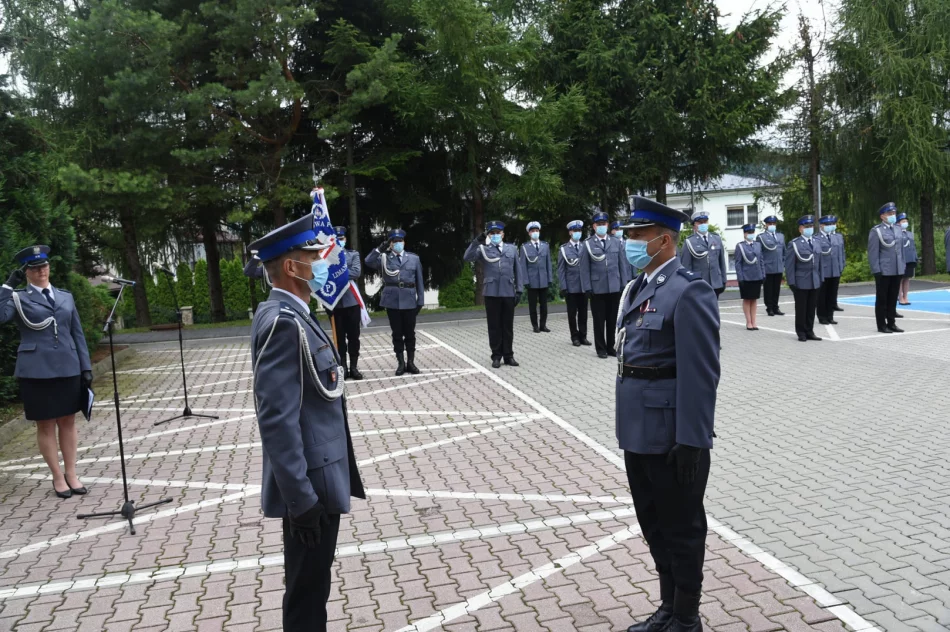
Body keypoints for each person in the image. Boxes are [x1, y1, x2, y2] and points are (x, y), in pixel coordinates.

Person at [248, 215, 365, 632]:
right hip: (311, 486)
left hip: (318, 477)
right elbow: (277, 421)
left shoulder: (292, 313)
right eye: (313, 257)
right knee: (306, 596)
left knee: (313, 588)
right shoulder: (283, 322)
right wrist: (301, 502)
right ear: (291, 267)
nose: (322, 263)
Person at [616, 196, 720, 632]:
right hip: (637, 430)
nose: (630, 243)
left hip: (671, 435)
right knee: (654, 525)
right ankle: (667, 609)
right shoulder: (637, 288)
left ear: (663, 240)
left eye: (638, 236)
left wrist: (693, 438)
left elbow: (702, 372)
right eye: (629, 235)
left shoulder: (688, 290)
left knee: (682, 528)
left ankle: (687, 617)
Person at [1, 245, 92, 499]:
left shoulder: (65, 296)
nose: (41, 271)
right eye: (34, 268)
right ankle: (57, 476)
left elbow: (77, 333)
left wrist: (85, 366)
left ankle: (71, 473)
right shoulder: (18, 297)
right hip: (36, 371)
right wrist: (7, 287)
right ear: (26, 272)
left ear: (49, 267)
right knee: (46, 424)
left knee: (68, 421)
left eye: (44, 266)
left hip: (68, 367)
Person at [464, 221, 525, 368]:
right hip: (491, 292)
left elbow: (518, 270)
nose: (496, 235)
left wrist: (519, 290)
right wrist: (477, 241)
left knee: (507, 326)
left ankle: (509, 355)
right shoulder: (483, 249)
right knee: (494, 326)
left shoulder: (511, 249)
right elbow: (467, 257)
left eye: (498, 233)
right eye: (492, 233)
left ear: (503, 234)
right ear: (489, 235)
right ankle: (496, 356)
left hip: (508, 291)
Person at [365, 229, 425, 374]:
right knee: (397, 333)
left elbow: (419, 281)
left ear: (404, 242)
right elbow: (368, 261)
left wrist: (420, 301)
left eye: (400, 241)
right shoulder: (384, 258)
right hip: (392, 301)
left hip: (409, 300)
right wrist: (380, 248)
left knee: (410, 333)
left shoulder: (413, 259)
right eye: (395, 241)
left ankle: (411, 362)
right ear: (390, 244)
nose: (398, 243)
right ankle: (401, 363)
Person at [581, 211, 630, 359]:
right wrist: (587, 287)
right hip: (597, 288)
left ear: (607, 225)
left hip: (614, 287)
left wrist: (623, 284)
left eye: (604, 224)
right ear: (594, 226)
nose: (602, 226)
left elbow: (622, 265)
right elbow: (584, 268)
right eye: (599, 224)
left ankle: (611, 347)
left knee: (612, 320)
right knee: (599, 320)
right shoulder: (588, 244)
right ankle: (601, 349)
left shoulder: (615, 242)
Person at [326, 226, 364, 380]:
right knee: (339, 338)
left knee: (354, 336)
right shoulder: (326, 257)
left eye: (341, 239)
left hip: (351, 302)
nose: (339, 241)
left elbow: (356, 272)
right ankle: (343, 367)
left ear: (345, 239)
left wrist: (336, 273)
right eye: (336, 239)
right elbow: (323, 275)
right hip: (335, 302)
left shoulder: (353, 254)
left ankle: (354, 367)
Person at [868, 202, 906, 334]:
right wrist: (876, 270)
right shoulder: (876, 231)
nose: (893, 215)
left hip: (897, 268)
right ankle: (881, 325)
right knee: (882, 299)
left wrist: (902, 265)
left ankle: (891, 323)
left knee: (893, 297)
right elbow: (873, 253)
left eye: (894, 213)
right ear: (882, 216)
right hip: (884, 270)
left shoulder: (898, 229)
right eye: (890, 213)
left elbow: (901, 250)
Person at [785, 215, 824, 342]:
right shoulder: (794, 244)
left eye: (811, 226)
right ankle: (801, 332)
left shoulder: (817, 242)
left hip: (815, 280)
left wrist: (821, 278)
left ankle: (810, 331)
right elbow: (789, 265)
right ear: (800, 229)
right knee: (801, 308)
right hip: (801, 281)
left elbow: (820, 262)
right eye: (806, 226)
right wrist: (791, 282)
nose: (809, 228)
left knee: (811, 308)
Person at [558, 220, 591, 347]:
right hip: (571, 287)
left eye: (579, 230)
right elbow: (561, 270)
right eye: (575, 230)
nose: (578, 233)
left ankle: (583, 336)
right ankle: (574, 337)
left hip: (583, 286)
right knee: (572, 314)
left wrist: (589, 285)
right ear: (570, 232)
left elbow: (588, 268)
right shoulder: (564, 249)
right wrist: (563, 286)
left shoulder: (585, 247)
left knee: (583, 313)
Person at [680, 211, 726, 298]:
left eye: (705, 221)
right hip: (699, 283)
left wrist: (724, 280)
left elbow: (721, 262)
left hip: (716, 282)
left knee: (714, 306)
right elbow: (686, 266)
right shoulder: (689, 242)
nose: (703, 224)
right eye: (700, 222)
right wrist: (688, 285)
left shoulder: (716, 238)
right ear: (694, 225)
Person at [519, 221, 552, 333]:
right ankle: (535, 326)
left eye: (537, 231)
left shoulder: (545, 246)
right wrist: (525, 280)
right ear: (529, 233)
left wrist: (549, 278)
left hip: (543, 280)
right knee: (532, 306)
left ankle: (543, 325)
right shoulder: (524, 247)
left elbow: (548, 264)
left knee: (544, 305)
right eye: (533, 231)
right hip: (531, 281)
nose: (535, 233)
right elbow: (523, 266)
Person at [734, 224, 765, 331]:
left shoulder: (758, 245)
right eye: (749, 232)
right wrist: (740, 278)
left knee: (754, 299)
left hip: (757, 276)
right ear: (745, 234)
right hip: (746, 277)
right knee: (747, 299)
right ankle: (748, 322)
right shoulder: (740, 246)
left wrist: (763, 274)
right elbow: (738, 263)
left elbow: (761, 260)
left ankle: (754, 321)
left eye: (752, 232)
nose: (751, 234)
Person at [756, 215, 786, 316]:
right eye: (770, 224)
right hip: (767, 267)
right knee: (768, 289)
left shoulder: (780, 236)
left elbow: (784, 251)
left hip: (778, 266)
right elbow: (759, 253)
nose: (772, 225)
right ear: (766, 225)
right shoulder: (761, 237)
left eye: (774, 223)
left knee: (776, 289)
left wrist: (783, 263)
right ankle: (769, 308)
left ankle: (775, 307)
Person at [816, 215, 843, 325]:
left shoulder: (836, 237)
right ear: (821, 225)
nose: (830, 226)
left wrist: (841, 266)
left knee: (832, 295)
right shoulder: (817, 238)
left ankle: (830, 316)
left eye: (831, 224)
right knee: (822, 295)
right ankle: (822, 316)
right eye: (827, 224)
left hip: (835, 270)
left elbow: (841, 253)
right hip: (823, 271)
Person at [898, 213, 917, 306]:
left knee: (907, 278)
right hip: (901, 259)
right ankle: (900, 297)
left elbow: (913, 247)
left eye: (906, 221)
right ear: (898, 223)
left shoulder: (910, 234)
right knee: (900, 279)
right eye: (903, 221)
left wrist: (915, 257)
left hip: (910, 259)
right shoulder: (897, 233)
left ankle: (906, 296)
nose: (905, 222)